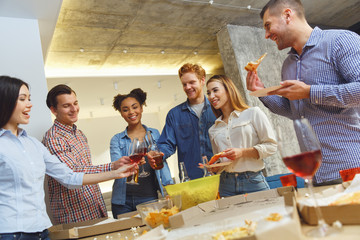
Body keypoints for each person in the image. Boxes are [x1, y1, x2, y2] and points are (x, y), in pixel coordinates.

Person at [0, 76, 137, 240]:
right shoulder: (51, 138)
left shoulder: (33, 144)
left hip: (42, 229)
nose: (30, 104)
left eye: (29, 99)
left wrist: (116, 173)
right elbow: (75, 170)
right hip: (10, 232)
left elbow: (69, 176)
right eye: (22, 99)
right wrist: (113, 168)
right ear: (5, 101)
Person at [246, 0, 360, 186]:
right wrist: (262, 93)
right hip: (316, 175)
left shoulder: (340, 41)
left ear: (287, 15)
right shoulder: (288, 64)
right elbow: (295, 112)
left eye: (268, 26)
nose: (266, 35)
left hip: (352, 169)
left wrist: (309, 92)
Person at [42, 84, 131, 224]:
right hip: (74, 214)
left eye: (75, 103)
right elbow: (73, 173)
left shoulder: (79, 133)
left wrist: (114, 164)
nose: (74, 109)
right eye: (66, 106)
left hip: (94, 207)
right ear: (53, 110)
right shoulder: (54, 138)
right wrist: (113, 168)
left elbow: (85, 168)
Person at [206, 75, 277, 197]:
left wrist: (242, 152)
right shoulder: (213, 129)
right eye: (208, 93)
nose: (211, 96)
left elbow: (272, 146)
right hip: (225, 185)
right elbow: (220, 160)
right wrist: (215, 168)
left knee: (265, 215)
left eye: (215, 90)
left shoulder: (253, 113)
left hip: (253, 181)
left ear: (229, 90)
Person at [110, 88, 173, 217]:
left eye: (135, 107)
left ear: (141, 108)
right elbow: (118, 166)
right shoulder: (116, 139)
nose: (131, 112)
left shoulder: (154, 133)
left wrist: (170, 187)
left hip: (149, 197)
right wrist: (137, 159)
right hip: (122, 201)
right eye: (125, 109)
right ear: (121, 113)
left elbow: (162, 161)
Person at [154, 63, 217, 180]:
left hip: (222, 176)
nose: (187, 87)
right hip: (192, 179)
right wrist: (159, 154)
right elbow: (167, 144)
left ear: (202, 80)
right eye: (184, 84)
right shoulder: (174, 114)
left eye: (192, 82)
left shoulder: (218, 108)